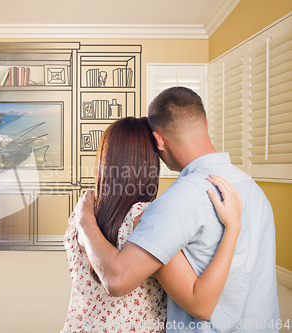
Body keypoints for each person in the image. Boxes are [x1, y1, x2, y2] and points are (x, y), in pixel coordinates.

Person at [74, 87, 280, 332]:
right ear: (204, 122)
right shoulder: (252, 188)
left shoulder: (178, 200)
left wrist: (84, 221)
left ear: (158, 140)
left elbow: (117, 280)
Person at [62, 117, 242, 332]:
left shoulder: (83, 210)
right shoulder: (145, 219)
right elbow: (200, 304)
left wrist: (84, 219)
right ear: (150, 162)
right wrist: (233, 227)